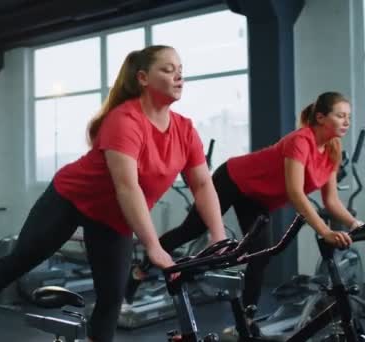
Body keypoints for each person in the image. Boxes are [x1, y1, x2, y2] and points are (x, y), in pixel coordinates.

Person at [0, 45, 226, 342]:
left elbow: (203, 185)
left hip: (114, 218)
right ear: (143, 77)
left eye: (181, 71)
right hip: (71, 198)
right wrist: (153, 246)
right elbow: (127, 187)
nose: (179, 76)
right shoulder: (125, 120)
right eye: (168, 70)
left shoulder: (185, 130)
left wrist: (218, 238)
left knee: (112, 296)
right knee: (23, 259)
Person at [125, 91, 362, 334]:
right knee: (192, 229)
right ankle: (139, 271)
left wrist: (354, 223)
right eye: (340, 116)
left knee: (261, 255)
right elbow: (295, 193)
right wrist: (325, 231)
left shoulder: (332, 149)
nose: (347, 121)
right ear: (321, 118)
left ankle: (246, 319)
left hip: (256, 197)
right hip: (233, 178)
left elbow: (331, 201)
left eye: (348, 117)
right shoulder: (301, 141)